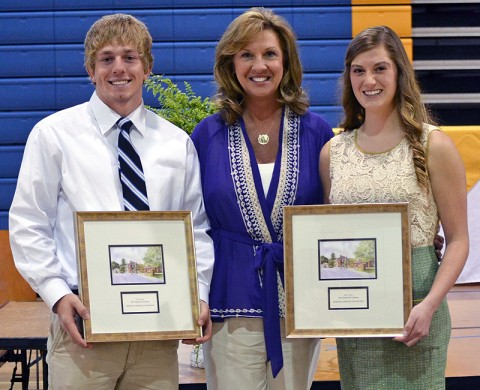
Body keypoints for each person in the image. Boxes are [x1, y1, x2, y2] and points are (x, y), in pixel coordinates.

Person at [9, 13, 214, 389]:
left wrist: (197, 294)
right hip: (83, 324)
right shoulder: (53, 135)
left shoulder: (176, 144)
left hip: (157, 328)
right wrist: (56, 294)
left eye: (129, 57)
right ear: (91, 69)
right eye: (106, 59)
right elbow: (28, 222)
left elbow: (195, 230)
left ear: (147, 67)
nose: (118, 68)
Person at [190, 7, 334, 390]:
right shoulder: (206, 136)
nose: (259, 65)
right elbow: (192, 224)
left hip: (298, 302)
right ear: (230, 64)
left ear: (286, 61)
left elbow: (337, 215)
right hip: (228, 301)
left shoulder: (317, 133)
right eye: (247, 55)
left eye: (270, 53)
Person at [320, 25, 469, 389]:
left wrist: (430, 305)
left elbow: (459, 240)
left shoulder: (434, 145)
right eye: (358, 70)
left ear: (400, 72)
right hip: (356, 314)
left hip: (417, 313)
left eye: (379, 68)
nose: (368, 80)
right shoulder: (332, 153)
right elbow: (329, 239)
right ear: (349, 78)